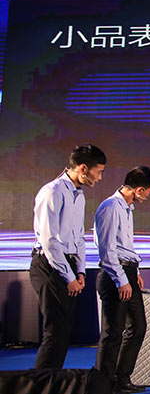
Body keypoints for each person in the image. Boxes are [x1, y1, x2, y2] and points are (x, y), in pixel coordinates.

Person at [29, 144, 107, 369]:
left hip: (69, 266)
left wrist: (80, 271)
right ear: (83, 168)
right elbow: (49, 240)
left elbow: (79, 237)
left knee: (63, 332)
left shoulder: (78, 195)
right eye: (98, 171)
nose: (100, 177)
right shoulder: (52, 191)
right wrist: (69, 276)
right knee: (55, 330)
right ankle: (41, 383)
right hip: (49, 265)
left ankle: (52, 380)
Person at [94, 166, 150, 394]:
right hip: (114, 275)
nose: (148, 195)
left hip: (128, 272)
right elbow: (108, 250)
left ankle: (123, 378)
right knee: (113, 333)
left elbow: (126, 246)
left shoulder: (127, 208)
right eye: (148, 191)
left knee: (138, 327)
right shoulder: (111, 207)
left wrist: (134, 272)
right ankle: (104, 385)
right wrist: (121, 279)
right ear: (139, 189)